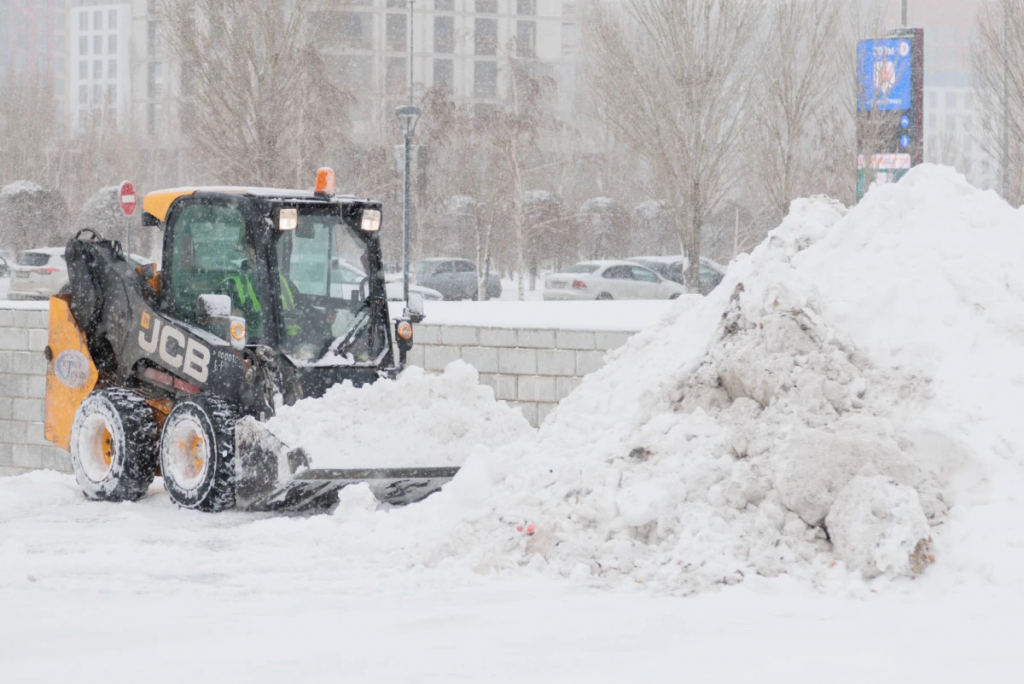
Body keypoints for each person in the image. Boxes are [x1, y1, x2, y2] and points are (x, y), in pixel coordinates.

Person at [220, 243, 302, 342]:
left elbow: (302, 312)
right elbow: (221, 324)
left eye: (265, 247)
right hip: (248, 347)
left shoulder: (283, 282)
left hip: (287, 347)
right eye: (255, 248)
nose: (262, 251)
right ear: (246, 253)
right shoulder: (231, 284)